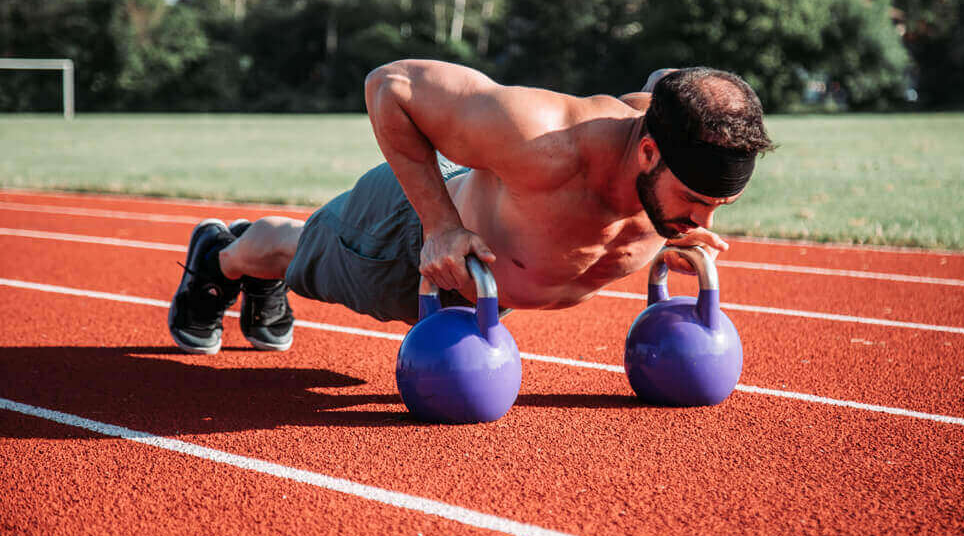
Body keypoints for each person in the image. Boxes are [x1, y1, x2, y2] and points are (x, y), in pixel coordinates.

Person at [168, 61, 774, 354]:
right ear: (646, 152)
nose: (705, 224)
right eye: (695, 203)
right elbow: (390, 86)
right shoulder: (544, 137)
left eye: (720, 206)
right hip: (405, 238)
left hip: (486, 272)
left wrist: (680, 218)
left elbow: (668, 76)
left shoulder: (672, 134)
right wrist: (439, 226)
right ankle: (223, 257)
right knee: (295, 252)